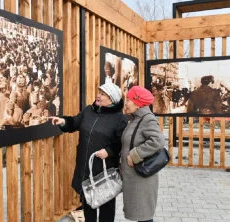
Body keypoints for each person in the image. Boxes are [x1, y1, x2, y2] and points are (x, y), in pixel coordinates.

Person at [50, 83, 127, 222]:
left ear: (112, 100)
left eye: (103, 94)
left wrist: (109, 151)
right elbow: (74, 123)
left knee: (106, 207)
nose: (98, 95)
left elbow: (122, 142)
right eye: (99, 92)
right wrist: (62, 121)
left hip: (104, 170)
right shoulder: (88, 111)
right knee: (88, 207)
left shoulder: (119, 118)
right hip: (86, 168)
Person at [121, 86, 165, 222]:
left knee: (144, 216)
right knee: (141, 215)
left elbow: (158, 140)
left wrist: (135, 155)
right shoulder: (135, 119)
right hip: (134, 177)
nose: (126, 103)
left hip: (142, 178)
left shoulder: (147, 119)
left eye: (128, 100)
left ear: (138, 103)